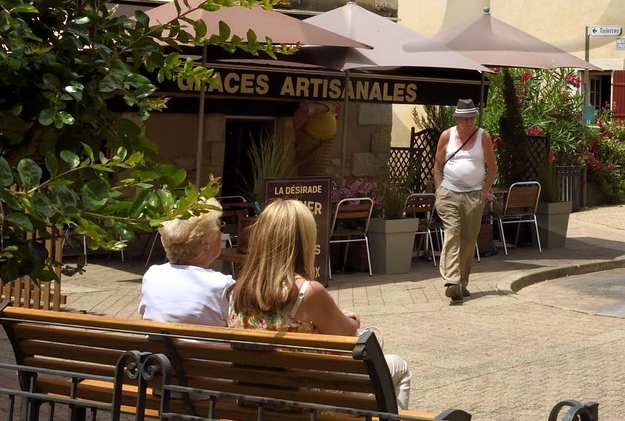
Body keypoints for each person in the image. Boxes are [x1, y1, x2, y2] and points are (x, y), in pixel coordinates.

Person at [229, 199, 411, 408]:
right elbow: (347, 336)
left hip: (256, 402)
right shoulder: (308, 292)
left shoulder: (238, 292)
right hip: (312, 404)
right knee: (399, 366)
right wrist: (351, 321)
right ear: (303, 241)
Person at [431, 97, 497, 303]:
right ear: (457, 119)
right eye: (465, 119)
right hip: (449, 192)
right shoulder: (446, 136)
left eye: (472, 118)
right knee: (453, 232)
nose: (470, 122)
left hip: (474, 194)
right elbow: (437, 166)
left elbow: (492, 168)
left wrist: (484, 192)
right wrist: (440, 189)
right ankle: (451, 282)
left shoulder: (482, 137)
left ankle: (462, 283)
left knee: (469, 240)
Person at [140, 200, 232, 325]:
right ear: (206, 243)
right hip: (206, 345)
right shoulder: (223, 285)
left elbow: (144, 316)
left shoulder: (152, 275)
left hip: (156, 345)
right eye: (220, 226)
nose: (222, 232)